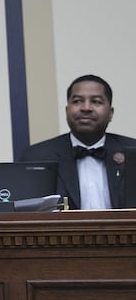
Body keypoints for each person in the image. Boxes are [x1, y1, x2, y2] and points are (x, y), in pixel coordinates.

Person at [19, 74, 136, 210]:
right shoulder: (36, 157)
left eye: (96, 101)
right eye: (77, 101)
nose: (86, 108)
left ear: (111, 113)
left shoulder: (132, 152)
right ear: (67, 110)